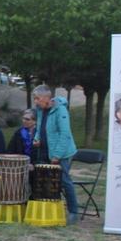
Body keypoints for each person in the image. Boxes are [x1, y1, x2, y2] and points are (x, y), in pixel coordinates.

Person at [33, 85, 78, 223]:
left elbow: (65, 135)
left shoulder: (60, 110)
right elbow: (40, 127)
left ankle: (73, 212)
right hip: (46, 150)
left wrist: (57, 155)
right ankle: (50, 210)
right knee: (46, 181)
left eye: (37, 98)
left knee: (64, 181)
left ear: (46, 98)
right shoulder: (40, 110)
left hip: (62, 153)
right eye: (34, 98)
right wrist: (37, 138)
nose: (35, 101)